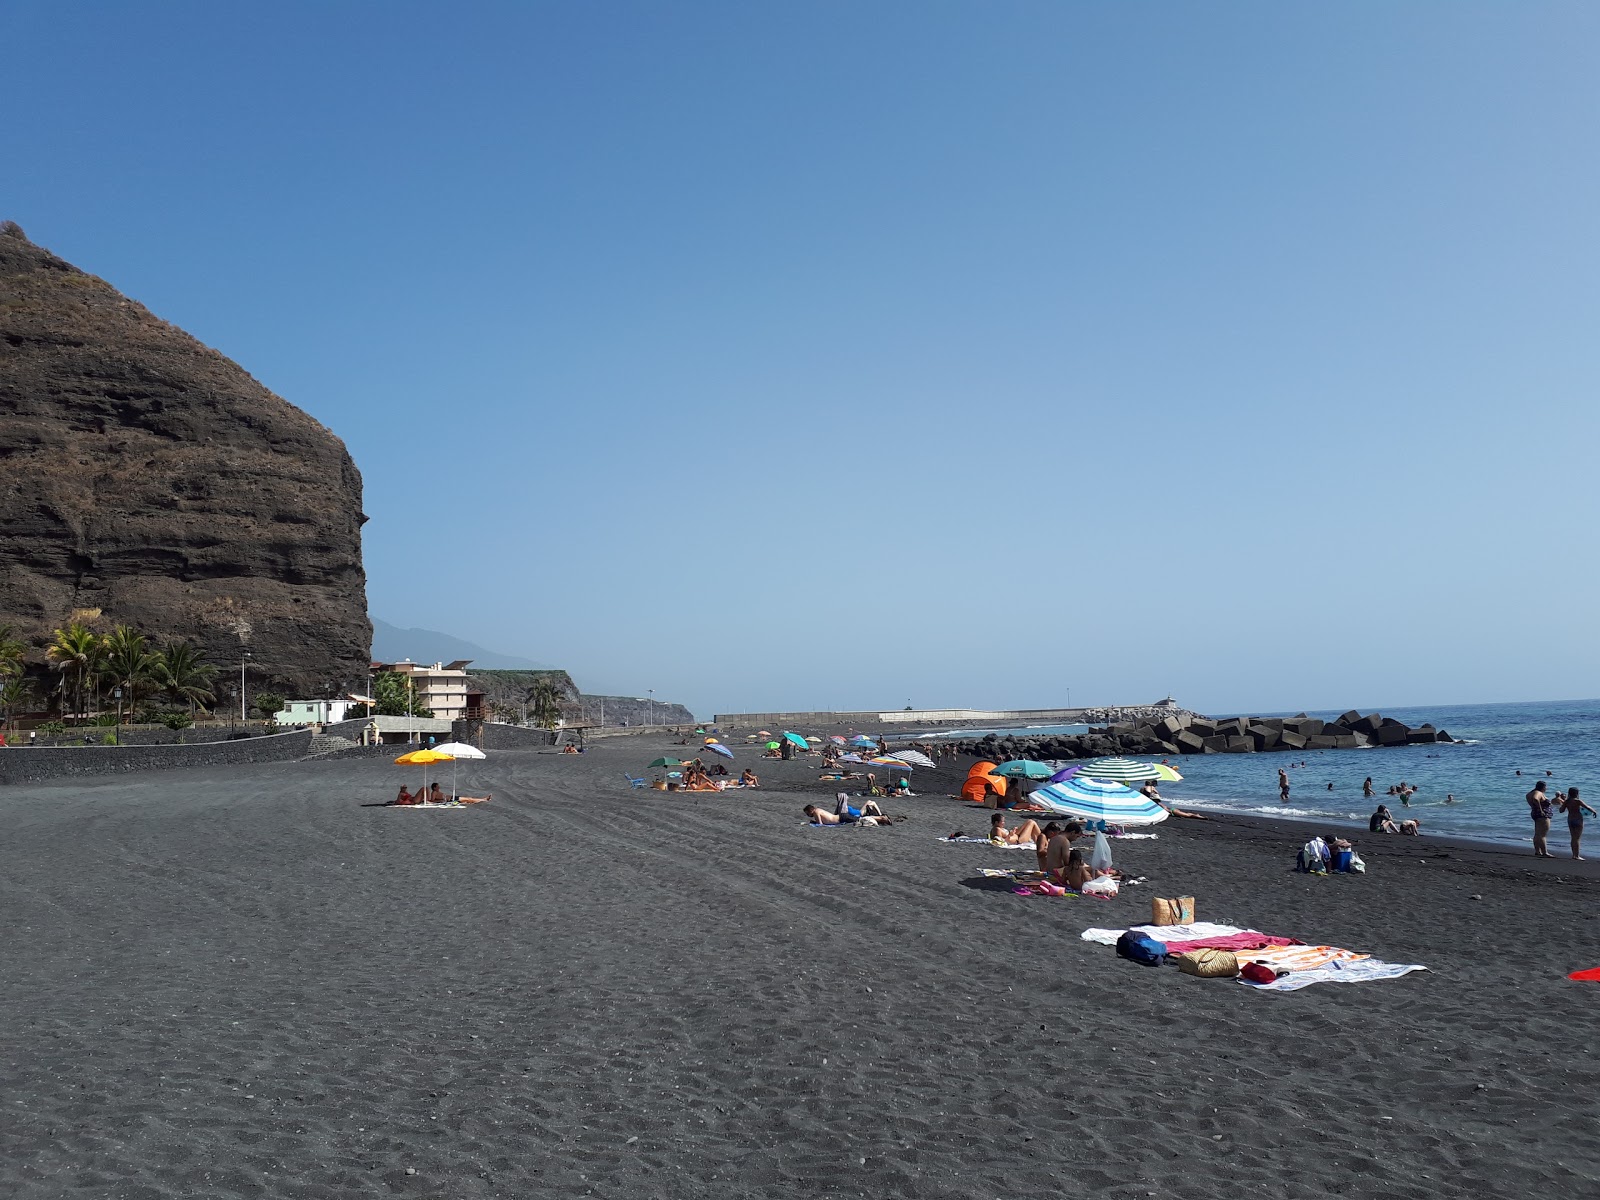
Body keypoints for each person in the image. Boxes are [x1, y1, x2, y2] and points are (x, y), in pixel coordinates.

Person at [1562, 786, 1595, 861]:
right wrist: (1594, 811)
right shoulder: (1578, 801)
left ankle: (1574, 855)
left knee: (1573, 837)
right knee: (1577, 838)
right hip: (1578, 820)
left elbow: (1561, 810)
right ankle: (1576, 856)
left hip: (1570, 819)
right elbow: (1587, 807)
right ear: (1577, 793)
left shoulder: (1566, 801)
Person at [1528, 780, 1555, 858]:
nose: (1546, 788)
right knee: (1543, 834)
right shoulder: (1538, 793)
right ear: (1543, 787)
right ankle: (1544, 852)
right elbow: (1535, 799)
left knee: (1537, 833)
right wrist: (1541, 810)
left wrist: (1535, 808)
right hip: (1542, 815)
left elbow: (1532, 800)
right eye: (1545, 787)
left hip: (1535, 813)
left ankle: (1537, 851)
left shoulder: (1530, 793)